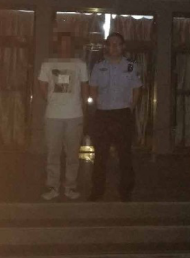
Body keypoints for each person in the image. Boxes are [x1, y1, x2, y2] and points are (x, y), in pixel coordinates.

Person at [87, 32, 142, 202]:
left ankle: (126, 191)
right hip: (103, 114)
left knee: (125, 155)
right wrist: (98, 104)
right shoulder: (99, 66)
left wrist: (130, 107)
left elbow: (137, 89)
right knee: (100, 155)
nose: (114, 47)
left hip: (122, 114)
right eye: (111, 44)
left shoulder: (131, 66)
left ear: (123, 46)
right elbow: (93, 88)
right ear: (107, 47)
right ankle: (97, 190)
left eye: (117, 44)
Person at [38, 33, 89, 201]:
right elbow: (42, 87)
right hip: (53, 116)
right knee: (53, 153)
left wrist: (83, 107)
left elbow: (85, 88)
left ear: (73, 45)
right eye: (62, 42)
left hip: (74, 115)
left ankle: (70, 187)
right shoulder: (48, 64)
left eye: (69, 42)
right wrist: (52, 101)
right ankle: (52, 186)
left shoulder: (80, 64)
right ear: (57, 45)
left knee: (72, 155)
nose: (65, 46)